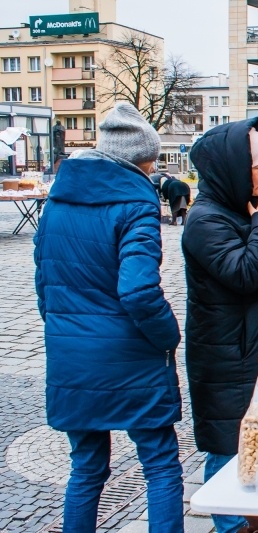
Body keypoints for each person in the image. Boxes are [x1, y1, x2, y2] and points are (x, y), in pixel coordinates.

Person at [33, 102, 184, 533]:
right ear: (141, 160)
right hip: (130, 356)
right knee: (159, 462)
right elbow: (138, 290)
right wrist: (167, 335)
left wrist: (67, 330)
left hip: (71, 355)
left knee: (85, 467)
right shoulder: (136, 203)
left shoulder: (57, 200)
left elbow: (44, 284)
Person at [182, 118, 258, 533]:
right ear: (232, 169)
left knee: (254, 432)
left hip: (253, 347)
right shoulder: (205, 220)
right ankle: (232, 524)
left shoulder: (242, 206)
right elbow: (245, 272)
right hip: (228, 353)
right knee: (227, 441)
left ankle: (254, 513)